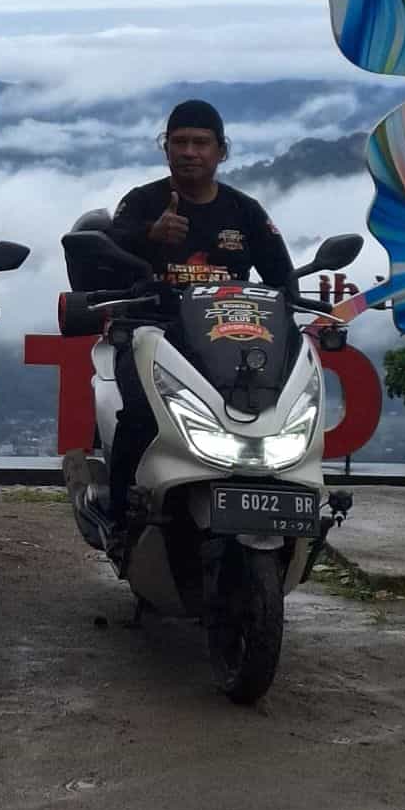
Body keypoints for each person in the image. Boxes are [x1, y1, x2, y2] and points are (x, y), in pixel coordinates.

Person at [99, 98, 296, 537]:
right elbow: (107, 256)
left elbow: (282, 279)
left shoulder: (245, 211)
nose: (190, 152)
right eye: (180, 142)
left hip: (234, 341)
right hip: (154, 334)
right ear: (165, 147)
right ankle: (120, 516)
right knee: (140, 414)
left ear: (221, 151)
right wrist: (151, 236)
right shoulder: (142, 203)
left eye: (201, 143)